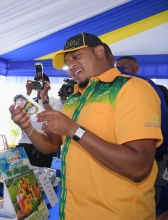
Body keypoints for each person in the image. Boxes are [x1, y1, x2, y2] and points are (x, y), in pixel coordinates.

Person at [9, 33, 163, 219]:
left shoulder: (132, 88)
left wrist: (74, 129)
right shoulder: (75, 98)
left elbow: (139, 167)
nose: (71, 65)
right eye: (67, 62)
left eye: (76, 56)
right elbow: (51, 145)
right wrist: (27, 126)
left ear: (99, 52)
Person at [114, 54, 168, 207]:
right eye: (116, 68)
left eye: (122, 68)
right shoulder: (118, 90)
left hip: (154, 157)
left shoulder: (146, 87)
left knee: (148, 199)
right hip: (124, 160)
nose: (118, 71)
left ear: (135, 69)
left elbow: (163, 127)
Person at [16, 74, 62, 168]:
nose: (40, 85)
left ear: (48, 86)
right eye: (38, 83)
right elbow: (17, 113)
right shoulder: (30, 101)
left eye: (43, 83)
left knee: (42, 178)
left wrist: (44, 98)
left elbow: (53, 119)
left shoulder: (55, 102)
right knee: (22, 177)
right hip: (25, 143)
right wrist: (27, 93)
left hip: (44, 145)